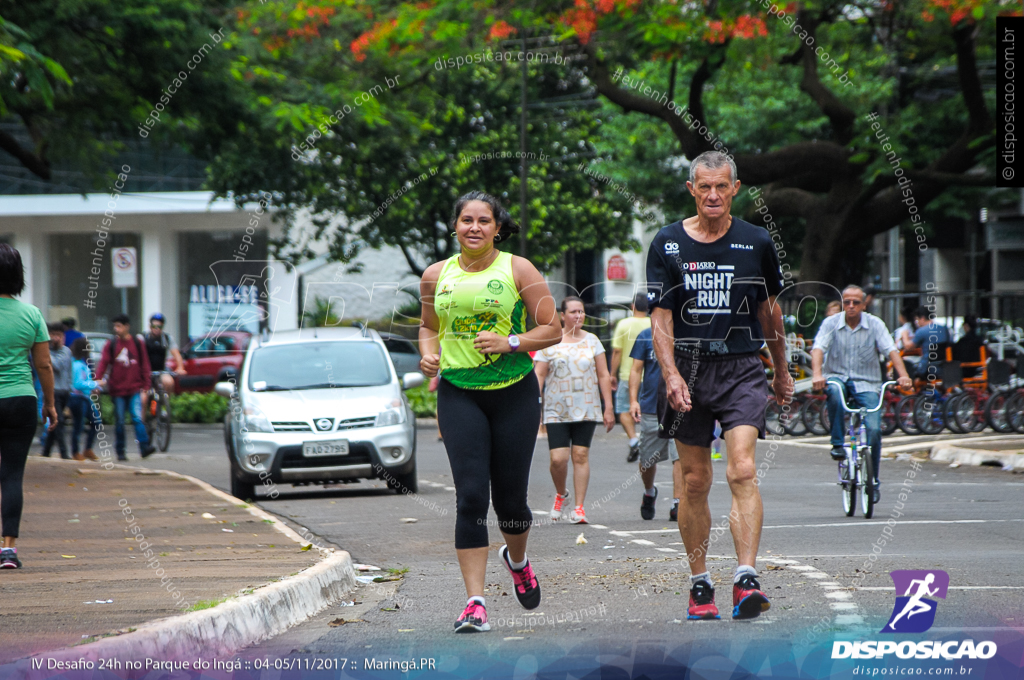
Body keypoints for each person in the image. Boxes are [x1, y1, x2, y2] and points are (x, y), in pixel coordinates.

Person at [645, 150, 793, 621]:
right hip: (687, 368)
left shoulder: (756, 242)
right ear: (692, 189)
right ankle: (700, 581)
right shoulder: (667, 243)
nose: (713, 195)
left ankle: (746, 579)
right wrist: (669, 374)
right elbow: (661, 317)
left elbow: (770, 313)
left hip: (742, 368)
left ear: (735, 188)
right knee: (694, 481)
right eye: (704, 187)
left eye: (721, 187)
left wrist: (782, 370)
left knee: (742, 470)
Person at [418, 190, 561, 633]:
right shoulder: (435, 275)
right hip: (459, 393)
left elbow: (552, 328)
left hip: (514, 393)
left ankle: (517, 561)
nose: (474, 227)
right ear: (455, 226)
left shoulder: (517, 268)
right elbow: (428, 327)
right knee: (472, 497)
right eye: (466, 220)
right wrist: (429, 356)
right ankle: (474, 603)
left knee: (511, 503)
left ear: (498, 227)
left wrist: (512, 341)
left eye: (484, 221)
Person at [811, 285, 913, 502]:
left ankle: (873, 480)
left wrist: (903, 376)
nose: (851, 306)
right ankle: (838, 444)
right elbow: (818, 348)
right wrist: (817, 374)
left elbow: (891, 350)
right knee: (835, 392)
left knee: (875, 430)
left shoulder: (875, 324)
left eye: (856, 302)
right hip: (837, 376)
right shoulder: (831, 323)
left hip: (867, 383)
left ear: (864, 304)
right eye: (847, 302)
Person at [0, 244, 58, 569]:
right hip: (21, 399)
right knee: (11, 475)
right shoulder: (31, 314)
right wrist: (50, 404)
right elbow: (44, 366)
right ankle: (8, 549)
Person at [534, 297, 615, 525]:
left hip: (587, 406)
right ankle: (561, 494)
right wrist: (535, 405)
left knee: (580, 455)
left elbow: (603, 374)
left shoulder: (592, 341)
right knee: (558, 459)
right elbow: (539, 375)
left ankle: (579, 508)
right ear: (562, 315)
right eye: (573, 312)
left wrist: (609, 407)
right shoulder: (551, 340)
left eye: (581, 311)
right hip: (556, 408)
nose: (578, 316)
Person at [628, 326, 682, 521]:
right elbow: (636, 370)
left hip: (681, 404)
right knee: (647, 460)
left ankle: (677, 502)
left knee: (680, 456)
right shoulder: (645, 335)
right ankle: (649, 492)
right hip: (652, 405)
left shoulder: (686, 333)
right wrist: (633, 400)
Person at [95, 314, 156, 460]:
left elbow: (145, 365)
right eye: (115, 326)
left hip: (134, 387)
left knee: (137, 418)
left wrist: (146, 386)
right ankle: (120, 450)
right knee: (120, 421)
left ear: (127, 326)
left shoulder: (137, 343)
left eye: (119, 326)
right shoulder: (111, 344)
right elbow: (104, 362)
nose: (117, 329)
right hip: (117, 389)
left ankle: (144, 447)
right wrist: (97, 380)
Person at [610, 293, 651, 462]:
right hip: (649, 375)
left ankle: (634, 439)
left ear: (632, 306)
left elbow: (617, 351)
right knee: (649, 410)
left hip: (628, 374)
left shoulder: (623, 324)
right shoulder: (652, 324)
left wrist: (612, 373)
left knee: (624, 409)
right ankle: (647, 440)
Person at [42, 322, 73, 459]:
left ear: (63, 337)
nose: (56, 338)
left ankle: (46, 452)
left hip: (64, 392)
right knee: (58, 421)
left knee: (56, 422)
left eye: (59, 335)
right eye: (53, 334)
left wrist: (44, 354)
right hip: (53, 392)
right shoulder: (45, 351)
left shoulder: (66, 351)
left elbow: (58, 365)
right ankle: (64, 454)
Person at [69, 337, 102, 461]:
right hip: (77, 398)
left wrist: (92, 387)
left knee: (96, 422)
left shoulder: (81, 363)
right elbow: (78, 384)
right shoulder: (77, 365)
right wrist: (95, 384)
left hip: (85, 397)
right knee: (79, 425)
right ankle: (75, 451)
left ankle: (87, 449)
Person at [143, 313, 185, 407]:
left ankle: (164, 405)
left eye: (160, 326)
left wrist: (180, 367)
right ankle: (142, 420)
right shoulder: (143, 338)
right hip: (145, 372)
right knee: (144, 397)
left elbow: (176, 354)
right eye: (154, 326)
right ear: (150, 326)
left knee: (169, 382)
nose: (157, 328)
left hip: (161, 370)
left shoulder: (167, 338)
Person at [904, 306, 951, 382]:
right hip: (944, 366)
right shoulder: (944, 329)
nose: (916, 322)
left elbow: (908, 347)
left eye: (917, 319)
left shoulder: (921, 331)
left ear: (922, 318)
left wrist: (904, 335)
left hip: (927, 369)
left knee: (907, 365)